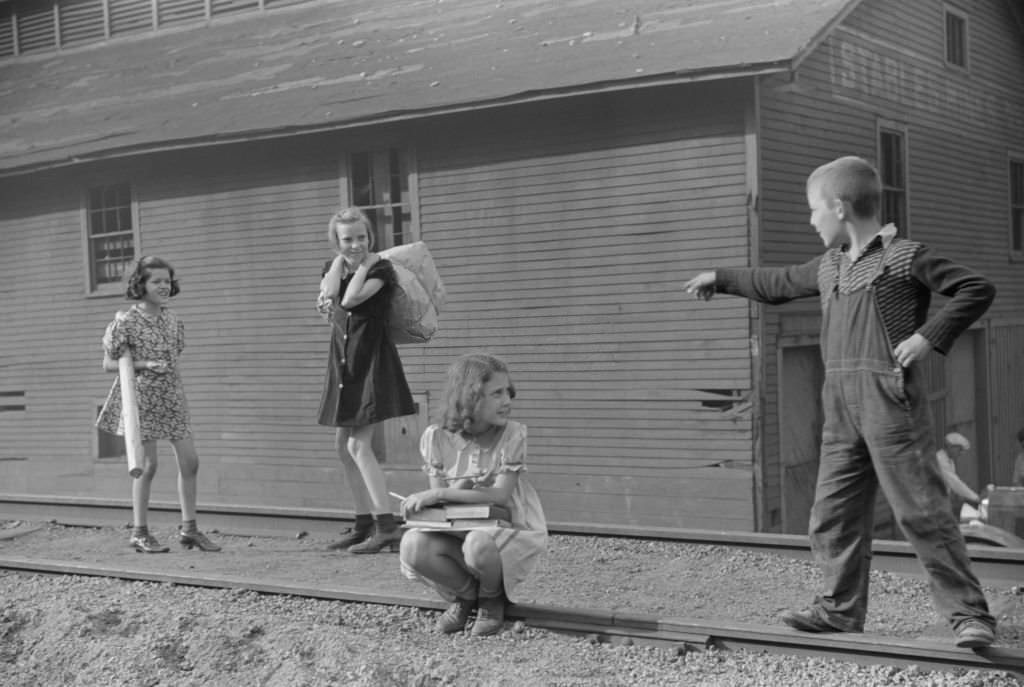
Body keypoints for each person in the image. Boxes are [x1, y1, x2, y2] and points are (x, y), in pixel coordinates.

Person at [683, 156, 997, 649]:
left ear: (839, 207)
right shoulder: (829, 266)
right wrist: (719, 277)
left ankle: (969, 616)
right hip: (841, 406)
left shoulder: (904, 257)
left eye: (813, 211)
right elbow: (777, 283)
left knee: (922, 512)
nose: (811, 220)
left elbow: (976, 289)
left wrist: (925, 337)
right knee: (833, 513)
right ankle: (839, 611)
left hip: (891, 402)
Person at [398, 353, 547, 636]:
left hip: (506, 524)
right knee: (412, 544)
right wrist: (461, 484)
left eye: (508, 392)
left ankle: (491, 599)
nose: (507, 401)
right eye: (496, 393)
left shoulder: (512, 434)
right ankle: (466, 596)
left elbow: (500, 497)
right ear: (470, 397)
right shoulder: (436, 437)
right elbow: (443, 507)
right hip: (458, 524)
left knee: (478, 544)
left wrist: (438, 493)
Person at [96, 256, 221, 554]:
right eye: (156, 281)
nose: (163, 286)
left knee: (190, 461)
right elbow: (107, 363)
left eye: (167, 281)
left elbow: (174, 354)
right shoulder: (126, 322)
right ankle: (139, 532)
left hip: (172, 397)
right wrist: (144, 363)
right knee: (148, 466)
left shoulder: (172, 319)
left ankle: (189, 529)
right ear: (141, 284)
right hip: (142, 399)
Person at [316, 207, 416, 554]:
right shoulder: (335, 267)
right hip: (346, 363)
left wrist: (365, 261)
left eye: (361, 237)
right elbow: (330, 295)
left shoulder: (381, 269)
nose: (355, 244)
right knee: (342, 449)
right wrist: (339, 264)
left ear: (370, 236)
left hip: (372, 362)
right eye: (347, 239)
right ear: (336, 241)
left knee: (359, 446)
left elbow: (349, 298)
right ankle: (362, 523)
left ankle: (386, 526)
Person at [936, 432, 981, 519]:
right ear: (950, 447)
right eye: (959, 449)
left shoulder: (950, 461)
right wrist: (976, 498)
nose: (961, 453)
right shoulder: (940, 460)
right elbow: (955, 483)